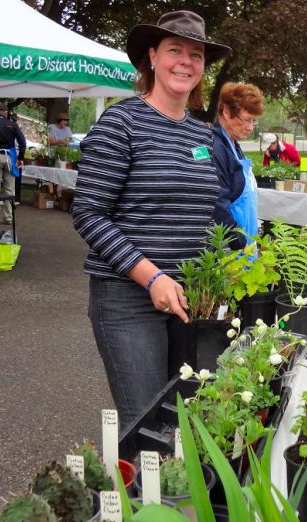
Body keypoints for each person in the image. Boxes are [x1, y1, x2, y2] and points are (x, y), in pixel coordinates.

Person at [72, 10, 230, 429]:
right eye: (175, 50)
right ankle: (141, 497)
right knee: (146, 426)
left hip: (190, 301)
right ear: (153, 57)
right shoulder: (120, 123)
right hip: (128, 298)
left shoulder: (202, 134)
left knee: (186, 420)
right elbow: (88, 212)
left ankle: (178, 496)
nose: (185, 62)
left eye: (195, 55)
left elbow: (203, 211)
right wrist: (152, 277)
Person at [211, 82, 264, 250]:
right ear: (226, 112)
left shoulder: (234, 145)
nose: (250, 127)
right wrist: (238, 241)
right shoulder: (215, 148)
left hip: (246, 245)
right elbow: (216, 204)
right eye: (246, 120)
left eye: (254, 122)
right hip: (230, 251)